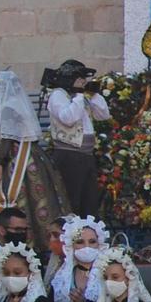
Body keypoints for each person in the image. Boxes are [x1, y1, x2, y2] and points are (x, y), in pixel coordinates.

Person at [0, 69, 68, 250]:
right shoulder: (20, 103)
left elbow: (7, 137)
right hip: (33, 155)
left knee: (12, 196)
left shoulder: (8, 106)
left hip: (15, 159)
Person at [42, 61, 112, 221]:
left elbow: (103, 115)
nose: (83, 82)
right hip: (69, 155)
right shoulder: (58, 95)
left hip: (86, 155)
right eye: (80, 78)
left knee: (89, 201)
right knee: (72, 199)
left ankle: (88, 232)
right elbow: (68, 118)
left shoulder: (80, 97)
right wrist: (79, 95)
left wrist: (93, 94)